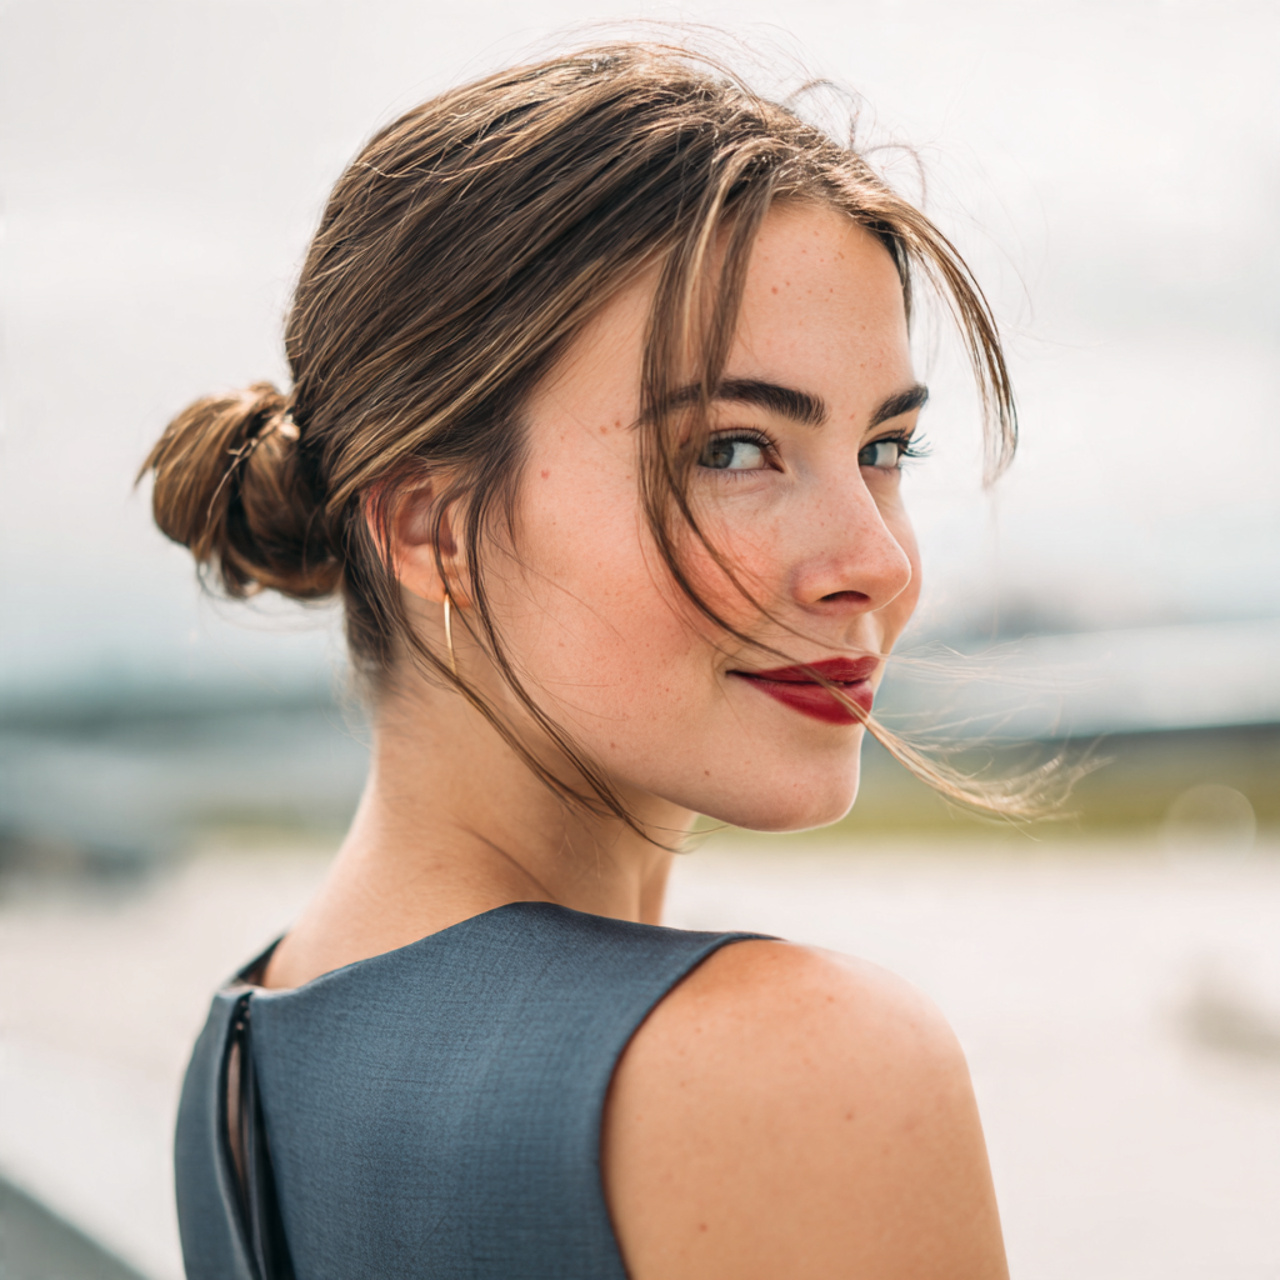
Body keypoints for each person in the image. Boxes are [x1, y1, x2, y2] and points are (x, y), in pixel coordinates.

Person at [143, 41, 1016, 1280]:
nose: (872, 560)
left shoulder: (236, 1066)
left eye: (884, 449)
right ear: (428, 527)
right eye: (732, 450)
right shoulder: (803, 1066)